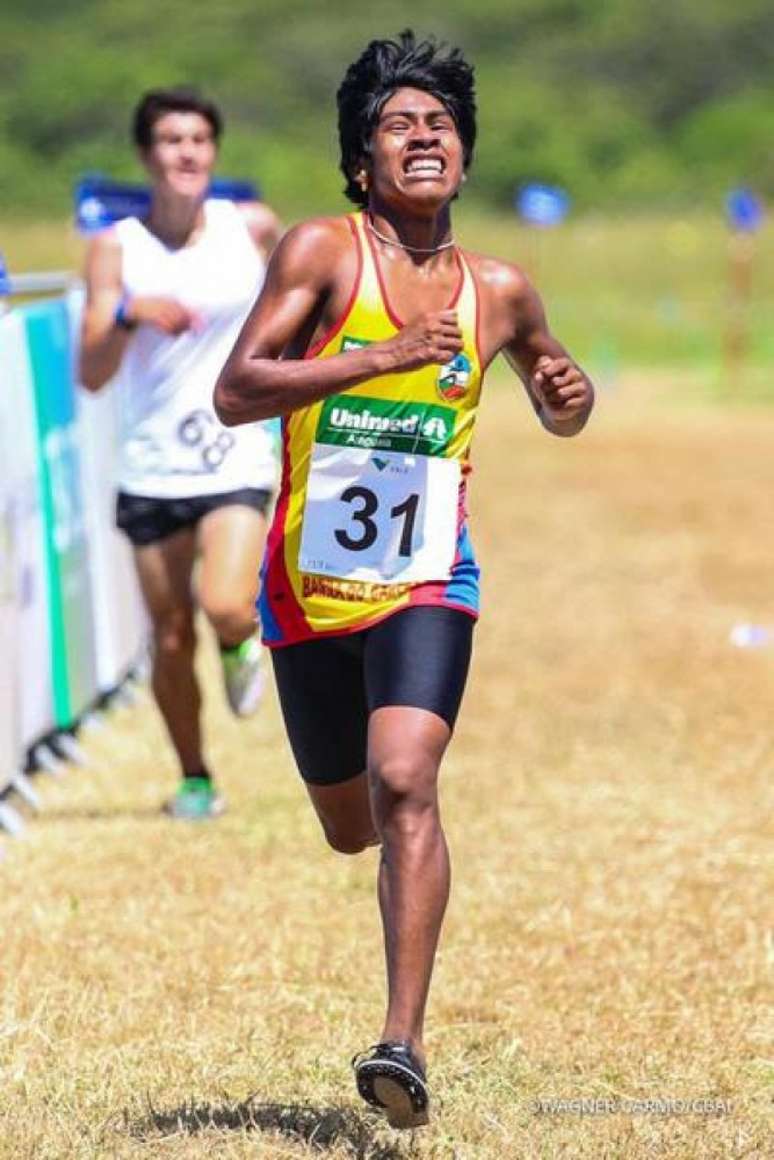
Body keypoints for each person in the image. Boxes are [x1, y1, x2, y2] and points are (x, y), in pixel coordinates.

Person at [214, 31, 594, 1127]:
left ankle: (402, 1041)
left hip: (429, 574)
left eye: (439, 124)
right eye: (397, 124)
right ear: (361, 157)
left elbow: (559, 403)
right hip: (306, 585)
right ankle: (394, 859)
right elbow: (239, 390)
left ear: (465, 155)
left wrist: (567, 399)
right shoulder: (323, 255)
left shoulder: (502, 289)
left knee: (407, 777)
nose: (422, 137)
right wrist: (379, 356)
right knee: (351, 821)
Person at [80, 87, 282, 820]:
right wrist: (131, 312)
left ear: (214, 153)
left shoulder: (250, 227)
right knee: (168, 639)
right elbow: (92, 370)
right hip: (151, 462)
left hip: (233, 452)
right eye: (171, 140)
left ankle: (238, 637)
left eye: (199, 139)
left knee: (223, 601)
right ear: (146, 156)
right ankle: (196, 776)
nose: (186, 153)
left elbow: (303, 302)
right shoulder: (116, 248)